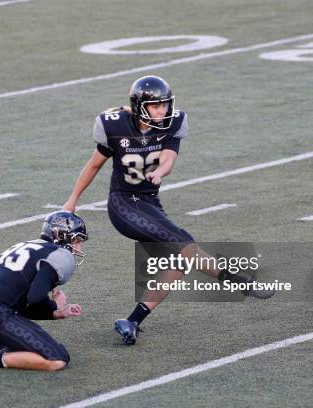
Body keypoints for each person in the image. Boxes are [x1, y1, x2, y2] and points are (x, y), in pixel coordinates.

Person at [62, 75, 274, 346]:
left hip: (149, 204)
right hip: (123, 203)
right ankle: (242, 282)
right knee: (183, 242)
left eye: (165, 104)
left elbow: (168, 158)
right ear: (140, 106)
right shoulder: (115, 126)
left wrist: (160, 172)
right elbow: (93, 165)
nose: (162, 111)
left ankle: (132, 321)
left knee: (178, 262)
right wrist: (72, 201)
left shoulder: (171, 124)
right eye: (156, 106)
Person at [0, 211, 88, 370]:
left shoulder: (25, 245)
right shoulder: (61, 255)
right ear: (62, 235)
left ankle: (5, 344)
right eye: (77, 240)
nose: (79, 247)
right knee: (58, 358)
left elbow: (19, 300)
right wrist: (53, 305)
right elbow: (35, 297)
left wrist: (53, 313)